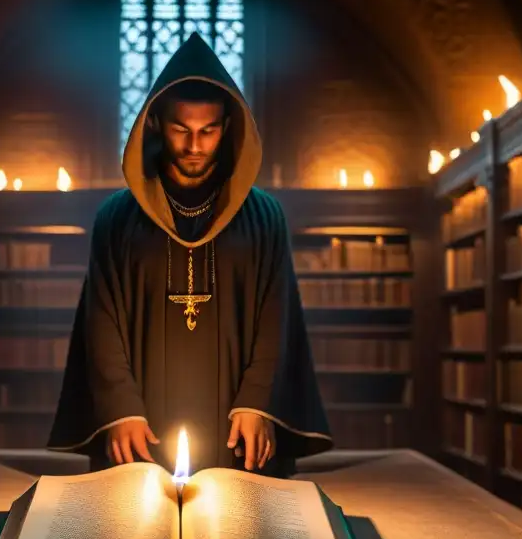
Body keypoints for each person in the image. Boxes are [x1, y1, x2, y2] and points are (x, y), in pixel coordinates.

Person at [47, 32, 331, 477]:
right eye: (182, 129)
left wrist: (257, 401)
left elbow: (278, 319)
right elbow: (100, 322)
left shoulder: (264, 216)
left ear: (228, 126)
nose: (194, 145)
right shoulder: (117, 218)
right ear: (156, 123)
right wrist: (122, 410)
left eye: (208, 130)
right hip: (141, 425)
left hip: (238, 422)